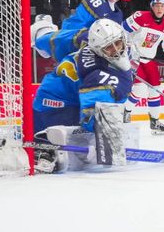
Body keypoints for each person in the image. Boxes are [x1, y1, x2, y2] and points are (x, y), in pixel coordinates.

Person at [31, 19, 134, 172]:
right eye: (108, 48)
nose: (116, 51)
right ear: (98, 49)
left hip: (60, 93)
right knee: (77, 150)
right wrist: (102, 143)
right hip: (54, 104)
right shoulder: (98, 75)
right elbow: (92, 115)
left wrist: (40, 37)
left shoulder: (84, 38)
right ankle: (43, 146)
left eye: (117, 43)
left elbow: (55, 39)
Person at [122, 0, 164, 135]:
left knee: (155, 90)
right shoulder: (140, 16)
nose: (159, 8)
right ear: (152, 6)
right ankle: (125, 112)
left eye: (162, 6)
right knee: (139, 90)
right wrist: (127, 50)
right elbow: (122, 30)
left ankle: (155, 122)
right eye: (156, 5)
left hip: (149, 60)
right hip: (134, 59)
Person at [33, 0, 125, 62]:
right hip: (77, 42)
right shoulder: (95, 2)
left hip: (97, 52)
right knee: (44, 42)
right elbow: (74, 24)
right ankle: (42, 28)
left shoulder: (118, 14)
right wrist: (77, 41)